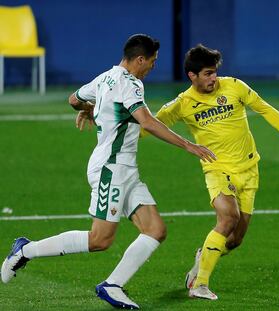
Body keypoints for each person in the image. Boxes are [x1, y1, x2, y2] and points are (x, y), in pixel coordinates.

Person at [0, 35, 215, 310]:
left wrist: (92, 109)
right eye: (152, 61)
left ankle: (112, 285)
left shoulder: (104, 78)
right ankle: (25, 249)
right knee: (100, 239)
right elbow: (147, 122)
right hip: (110, 169)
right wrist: (188, 145)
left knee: (155, 230)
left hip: (125, 169)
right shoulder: (130, 84)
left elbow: (73, 99)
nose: (152, 67)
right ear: (140, 59)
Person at [148, 44, 279, 300]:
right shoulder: (182, 104)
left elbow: (264, 108)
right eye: (207, 74)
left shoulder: (234, 86)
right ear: (192, 76)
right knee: (228, 218)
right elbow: (148, 125)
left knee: (235, 239)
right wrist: (106, 119)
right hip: (217, 168)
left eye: (214, 72)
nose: (213, 78)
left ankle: (203, 255)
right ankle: (199, 285)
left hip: (249, 169)